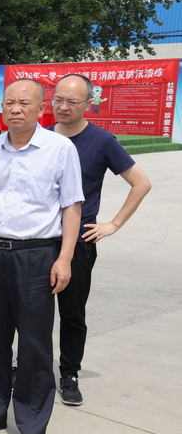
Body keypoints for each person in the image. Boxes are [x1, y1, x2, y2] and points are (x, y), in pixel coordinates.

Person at [0, 78, 83, 434]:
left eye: (24, 103)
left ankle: (32, 423)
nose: (16, 109)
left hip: (37, 255)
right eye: (10, 102)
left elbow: (72, 207)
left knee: (34, 342)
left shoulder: (59, 149)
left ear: (40, 109)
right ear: (2, 106)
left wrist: (64, 258)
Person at [50, 73, 151, 406]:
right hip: (40, 240)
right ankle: (28, 368)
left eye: (72, 101)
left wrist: (113, 224)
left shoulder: (102, 141)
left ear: (88, 104)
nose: (63, 106)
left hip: (79, 243)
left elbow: (141, 183)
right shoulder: (41, 137)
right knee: (32, 310)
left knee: (72, 312)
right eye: (58, 99)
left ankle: (69, 374)